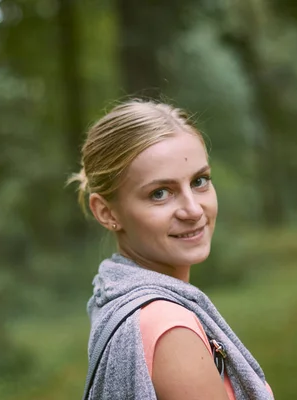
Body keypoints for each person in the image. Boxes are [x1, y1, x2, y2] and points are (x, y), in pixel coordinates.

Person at [69, 99, 274, 400]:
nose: (192, 210)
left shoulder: (113, 293)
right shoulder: (171, 330)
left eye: (200, 181)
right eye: (160, 193)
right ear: (106, 212)